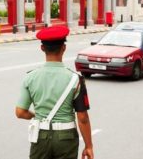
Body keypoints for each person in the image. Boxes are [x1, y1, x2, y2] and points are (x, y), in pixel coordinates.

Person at [16, 26, 93, 159]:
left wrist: (37, 116)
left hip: (40, 137)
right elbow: (83, 118)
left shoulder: (30, 77)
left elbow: (20, 112)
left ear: (42, 48)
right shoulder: (76, 79)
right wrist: (89, 146)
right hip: (66, 139)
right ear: (64, 48)